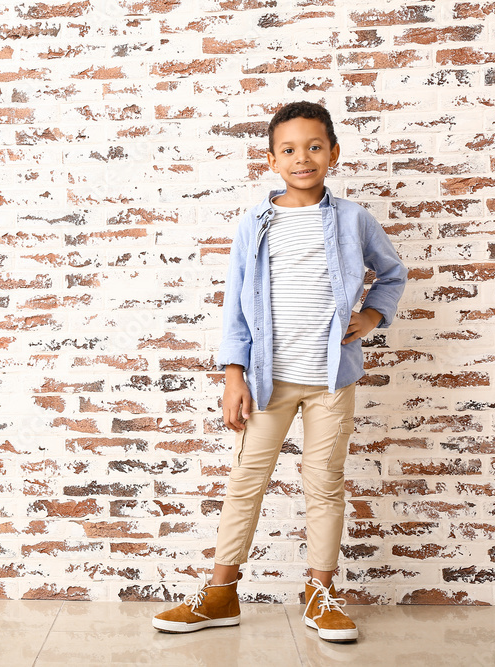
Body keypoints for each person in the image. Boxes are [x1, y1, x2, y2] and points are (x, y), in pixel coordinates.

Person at [152, 101, 407, 642]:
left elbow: (390, 272)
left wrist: (372, 313)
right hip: (269, 381)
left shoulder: (352, 218)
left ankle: (319, 592)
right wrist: (233, 374)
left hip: (331, 379)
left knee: (324, 483)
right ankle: (220, 592)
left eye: (315, 147)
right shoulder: (255, 223)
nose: (303, 158)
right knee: (247, 478)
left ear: (333, 154)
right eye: (289, 149)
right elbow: (236, 306)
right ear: (271, 159)